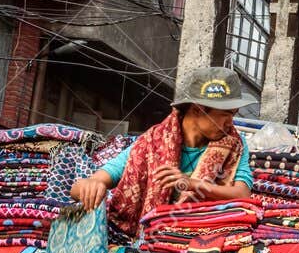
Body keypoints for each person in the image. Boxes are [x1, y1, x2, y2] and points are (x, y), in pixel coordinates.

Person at [71, 65, 256, 235]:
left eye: (233, 115)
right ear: (198, 110)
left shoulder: (235, 145)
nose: (230, 123)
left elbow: (242, 195)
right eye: (225, 114)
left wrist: (191, 184)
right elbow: (83, 186)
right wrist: (91, 185)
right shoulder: (150, 144)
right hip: (145, 239)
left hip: (202, 237)